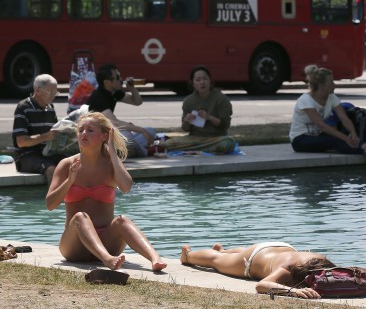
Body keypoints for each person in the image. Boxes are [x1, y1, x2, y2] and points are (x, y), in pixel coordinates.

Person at [46, 111, 167, 272]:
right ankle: (107, 259)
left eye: (90, 130)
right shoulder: (67, 165)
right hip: (75, 245)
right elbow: (50, 205)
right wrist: (70, 181)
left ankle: (155, 258)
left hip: (107, 241)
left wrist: (112, 153)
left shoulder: (111, 164)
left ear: (104, 136)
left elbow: (126, 187)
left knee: (122, 220)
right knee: (80, 216)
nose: (84, 134)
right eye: (81, 130)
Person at [180, 242, 335, 298]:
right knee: (216, 260)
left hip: (279, 248)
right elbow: (261, 285)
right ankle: (187, 255)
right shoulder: (287, 270)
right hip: (254, 258)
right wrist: (293, 291)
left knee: (236, 255)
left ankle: (224, 250)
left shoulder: (321, 261)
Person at [289, 64, 364, 154]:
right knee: (335, 140)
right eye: (331, 82)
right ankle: (362, 149)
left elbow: (344, 118)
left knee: (344, 134)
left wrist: (353, 133)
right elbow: (322, 126)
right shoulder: (306, 100)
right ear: (321, 85)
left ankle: (361, 145)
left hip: (318, 135)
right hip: (300, 140)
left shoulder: (331, 97)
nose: (334, 85)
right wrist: (346, 138)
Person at [162, 66, 236, 154]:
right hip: (194, 138)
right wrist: (187, 120)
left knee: (228, 142)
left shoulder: (221, 98)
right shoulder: (188, 101)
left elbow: (225, 125)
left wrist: (209, 117)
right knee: (168, 143)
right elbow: (186, 129)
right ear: (192, 83)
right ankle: (205, 149)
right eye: (198, 80)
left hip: (216, 138)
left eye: (205, 79)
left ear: (210, 81)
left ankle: (196, 149)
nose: (202, 82)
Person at [87, 64, 156, 157]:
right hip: (98, 137)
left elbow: (137, 102)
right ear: (107, 83)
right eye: (117, 77)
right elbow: (114, 123)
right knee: (127, 137)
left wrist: (132, 88)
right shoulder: (98, 97)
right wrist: (141, 130)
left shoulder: (114, 93)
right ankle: (145, 152)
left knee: (151, 131)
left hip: (111, 134)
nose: (121, 79)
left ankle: (133, 150)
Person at [12, 74, 63, 183]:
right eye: (50, 92)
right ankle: (54, 195)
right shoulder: (23, 107)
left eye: (55, 92)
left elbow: (53, 134)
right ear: (38, 90)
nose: (53, 96)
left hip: (47, 152)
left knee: (73, 163)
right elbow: (21, 142)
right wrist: (45, 137)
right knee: (51, 169)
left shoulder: (50, 108)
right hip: (26, 156)